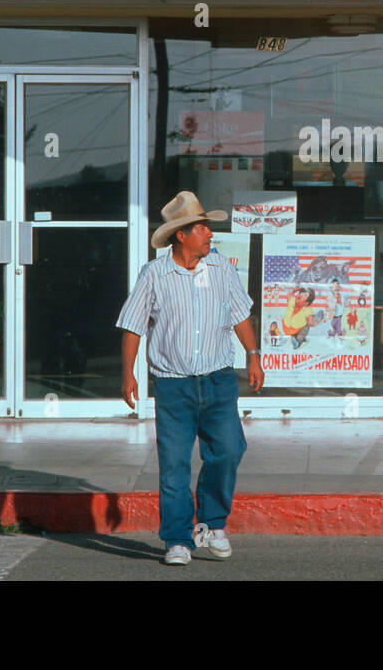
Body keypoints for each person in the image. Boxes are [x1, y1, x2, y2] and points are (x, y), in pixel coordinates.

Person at [116, 191, 264, 566]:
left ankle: (212, 522)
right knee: (174, 465)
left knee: (230, 450)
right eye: (202, 228)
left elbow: (240, 315)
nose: (209, 234)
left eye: (207, 228)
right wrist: (128, 375)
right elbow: (133, 327)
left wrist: (253, 356)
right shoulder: (154, 274)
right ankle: (178, 538)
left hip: (218, 380)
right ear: (181, 235)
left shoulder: (221, 267)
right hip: (173, 386)